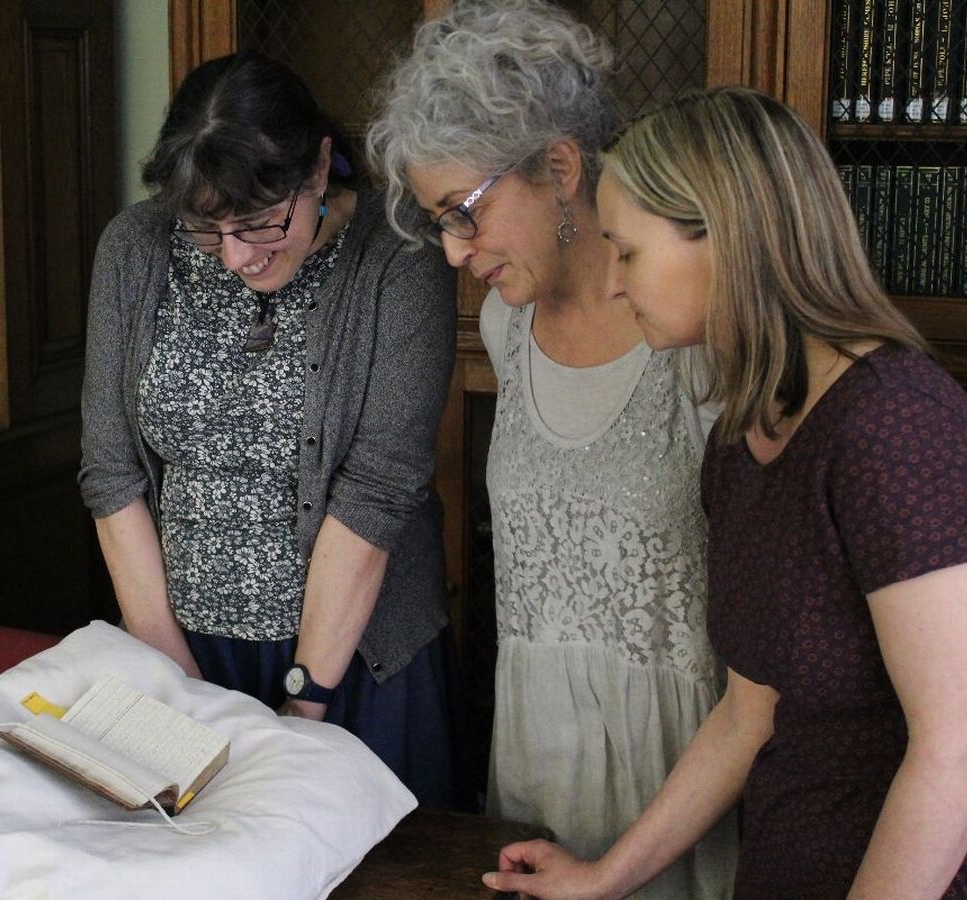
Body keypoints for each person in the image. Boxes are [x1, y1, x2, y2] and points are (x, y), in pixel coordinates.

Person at [484, 85, 967, 900]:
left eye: (626, 253)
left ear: (726, 238)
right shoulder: (743, 443)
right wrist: (606, 877)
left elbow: (963, 749)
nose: (612, 285)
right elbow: (749, 717)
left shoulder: (897, 428)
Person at [367, 3, 736, 894]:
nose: (454, 252)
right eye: (437, 222)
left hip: (679, 782)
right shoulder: (507, 326)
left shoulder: (699, 330)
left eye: (464, 213)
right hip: (534, 770)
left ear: (560, 168)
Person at [78, 51, 459, 807]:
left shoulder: (400, 253)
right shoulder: (135, 247)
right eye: (204, 227)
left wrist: (305, 697)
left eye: (258, 224)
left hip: (355, 660)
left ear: (319, 168)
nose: (236, 257)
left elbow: (377, 493)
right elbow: (110, 470)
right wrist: (173, 679)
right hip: (176, 646)